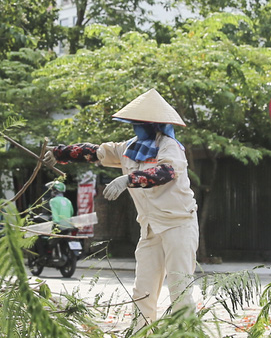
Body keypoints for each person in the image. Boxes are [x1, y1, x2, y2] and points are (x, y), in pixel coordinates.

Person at [50, 89, 199, 325]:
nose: (136, 128)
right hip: (150, 228)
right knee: (143, 292)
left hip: (178, 226)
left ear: (154, 124)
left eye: (140, 123)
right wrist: (60, 153)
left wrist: (128, 179)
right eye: (134, 123)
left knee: (180, 291)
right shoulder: (129, 148)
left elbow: (166, 172)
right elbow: (95, 152)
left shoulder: (170, 147)